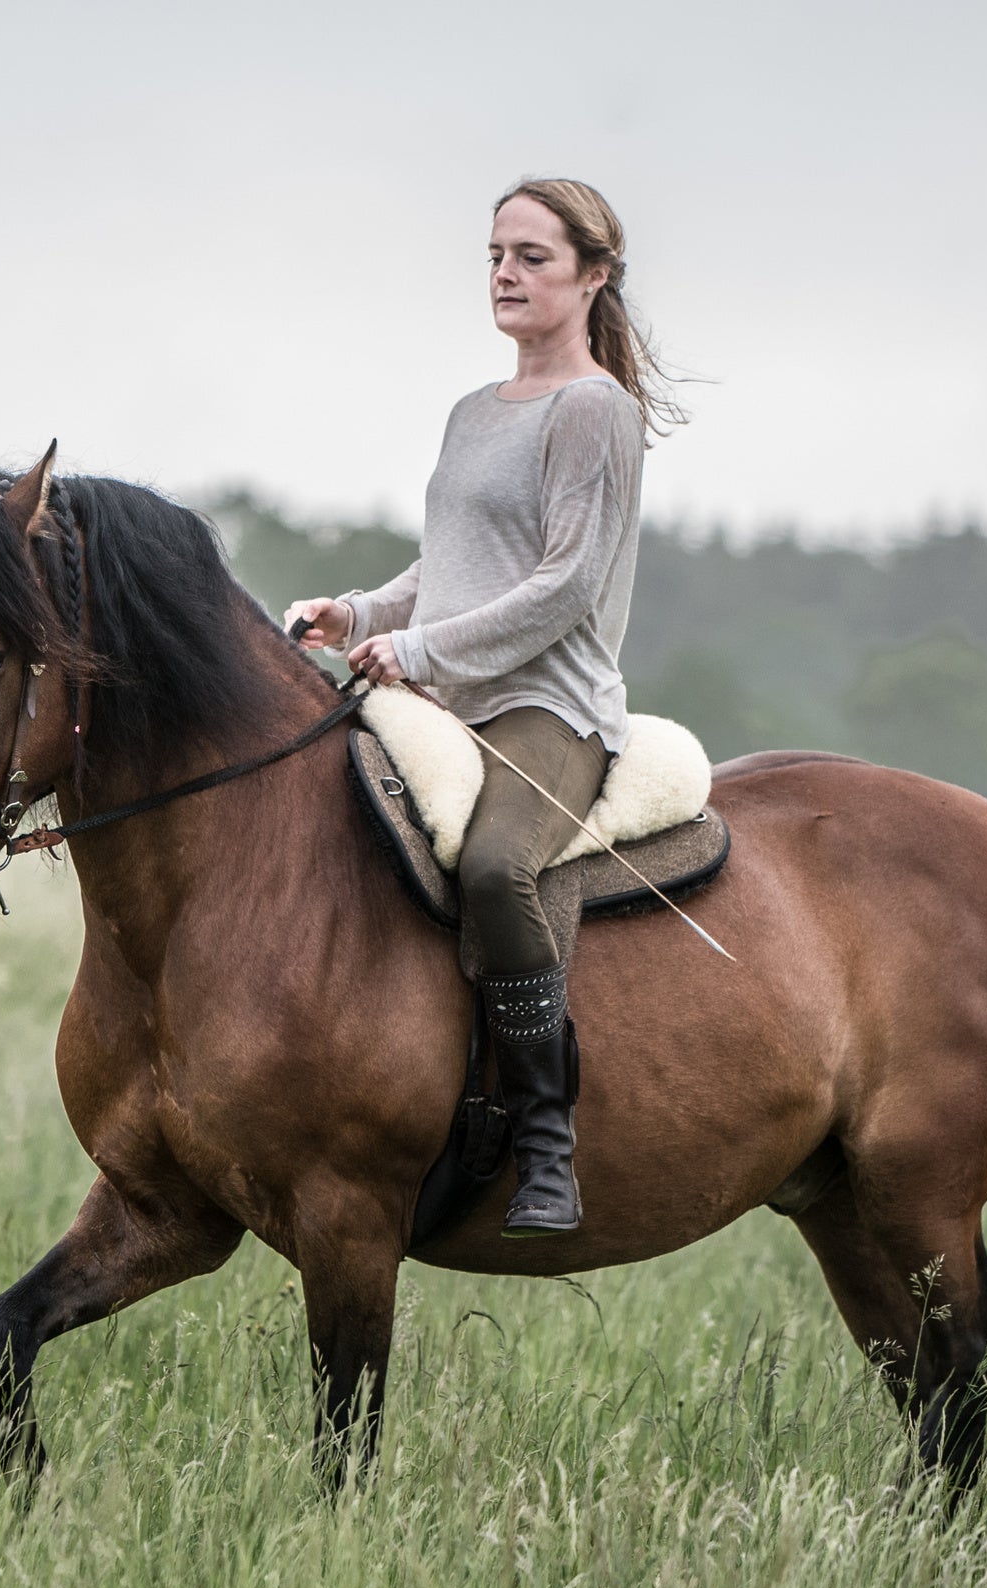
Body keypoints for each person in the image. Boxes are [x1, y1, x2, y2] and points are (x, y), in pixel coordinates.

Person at [287, 177, 680, 1236]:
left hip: (546, 708)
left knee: (497, 866)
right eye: (495, 255)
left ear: (593, 276)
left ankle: (547, 1135)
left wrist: (412, 647)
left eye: (531, 257)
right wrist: (358, 609)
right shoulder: (471, 411)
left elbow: (559, 587)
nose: (504, 274)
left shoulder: (596, 411)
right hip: (443, 692)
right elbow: (449, 565)